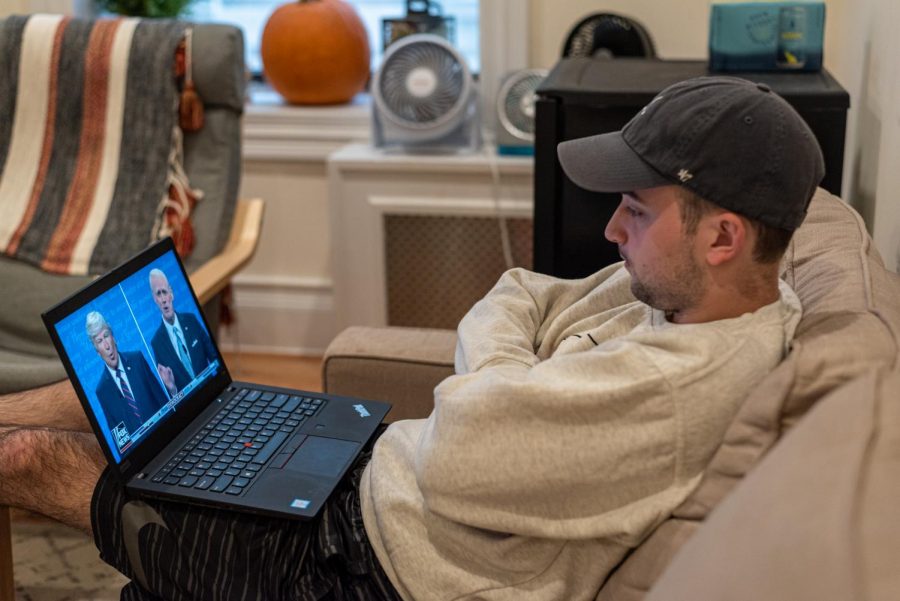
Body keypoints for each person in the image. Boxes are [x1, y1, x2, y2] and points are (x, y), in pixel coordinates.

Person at [0, 76, 824, 600]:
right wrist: (509, 381)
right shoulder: (704, 292)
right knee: (136, 400)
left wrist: (500, 382)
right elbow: (520, 291)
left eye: (636, 210)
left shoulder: (677, 388)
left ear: (721, 238)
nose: (612, 227)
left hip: (356, 566)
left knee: (35, 458)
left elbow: (463, 443)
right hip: (368, 477)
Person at [86, 311, 170, 440]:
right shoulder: (102, 390)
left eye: (107, 336)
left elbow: (163, 402)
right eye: (100, 341)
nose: (107, 346)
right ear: (97, 350)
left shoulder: (137, 360)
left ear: (113, 338)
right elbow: (121, 441)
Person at [148, 268, 216, 395]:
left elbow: (214, 357)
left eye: (164, 292)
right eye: (158, 294)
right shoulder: (157, 343)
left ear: (171, 294)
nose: (163, 300)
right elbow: (172, 395)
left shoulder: (191, 320)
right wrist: (172, 388)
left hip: (213, 392)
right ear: (155, 299)